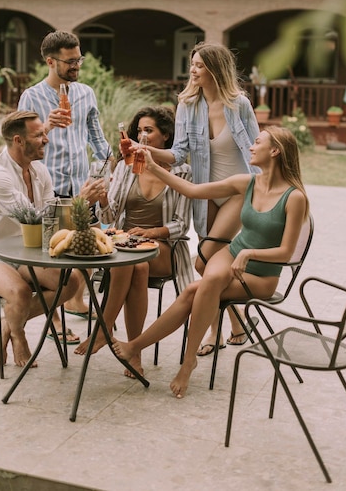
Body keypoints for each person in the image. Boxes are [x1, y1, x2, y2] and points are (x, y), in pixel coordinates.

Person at [112, 126, 309, 398]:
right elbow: (192, 191)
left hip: (261, 275)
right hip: (231, 256)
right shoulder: (247, 182)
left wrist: (250, 254)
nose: (251, 147)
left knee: (197, 289)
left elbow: (286, 253)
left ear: (274, 151)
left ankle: (179, 359)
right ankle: (148, 350)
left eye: (257, 142)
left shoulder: (294, 197)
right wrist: (154, 166)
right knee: (209, 282)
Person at [146, 42, 260, 354]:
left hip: (238, 190)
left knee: (205, 258)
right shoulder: (188, 105)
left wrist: (264, 194)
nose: (193, 70)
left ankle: (214, 332)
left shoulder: (239, 105)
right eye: (192, 64)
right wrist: (144, 150)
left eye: (199, 65)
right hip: (205, 192)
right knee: (210, 266)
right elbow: (178, 153)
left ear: (215, 68)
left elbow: (256, 152)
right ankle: (233, 324)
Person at [0, 110, 91, 368]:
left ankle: (8, 322)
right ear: (19, 140)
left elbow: (50, 221)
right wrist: (81, 202)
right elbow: (33, 219)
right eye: (39, 134)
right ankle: (18, 336)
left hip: (24, 253)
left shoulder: (39, 171)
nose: (46, 139)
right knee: (19, 292)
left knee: (71, 280)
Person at [75, 106, 193, 378]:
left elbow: (182, 224)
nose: (142, 136)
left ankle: (103, 329)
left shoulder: (183, 171)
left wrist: (153, 233)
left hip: (163, 247)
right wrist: (103, 198)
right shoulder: (128, 167)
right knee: (135, 266)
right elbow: (109, 216)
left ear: (166, 136)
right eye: (139, 130)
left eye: (149, 130)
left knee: (135, 260)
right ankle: (134, 353)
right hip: (126, 244)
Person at [18, 30, 113, 321]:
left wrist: (112, 164)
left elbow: (97, 140)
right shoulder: (31, 97)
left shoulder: (86, 94)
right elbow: (20, 146)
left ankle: (76, 300)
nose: (76, 65)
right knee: (53, 259)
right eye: (69, 61)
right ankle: (55, 321)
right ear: (50, 61)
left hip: (82, 188)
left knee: (88, 250)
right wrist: (45, 126)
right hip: (50, 189)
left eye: (78, 59)